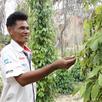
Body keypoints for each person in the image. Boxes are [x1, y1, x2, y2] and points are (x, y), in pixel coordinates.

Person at [0, 11, 76, 102]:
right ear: (10, 30)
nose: (26, 32)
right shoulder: (8, 52)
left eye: (27, 28)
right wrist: (54, 66)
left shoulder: (26, 53)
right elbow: (22, 79)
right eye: (22, 28)